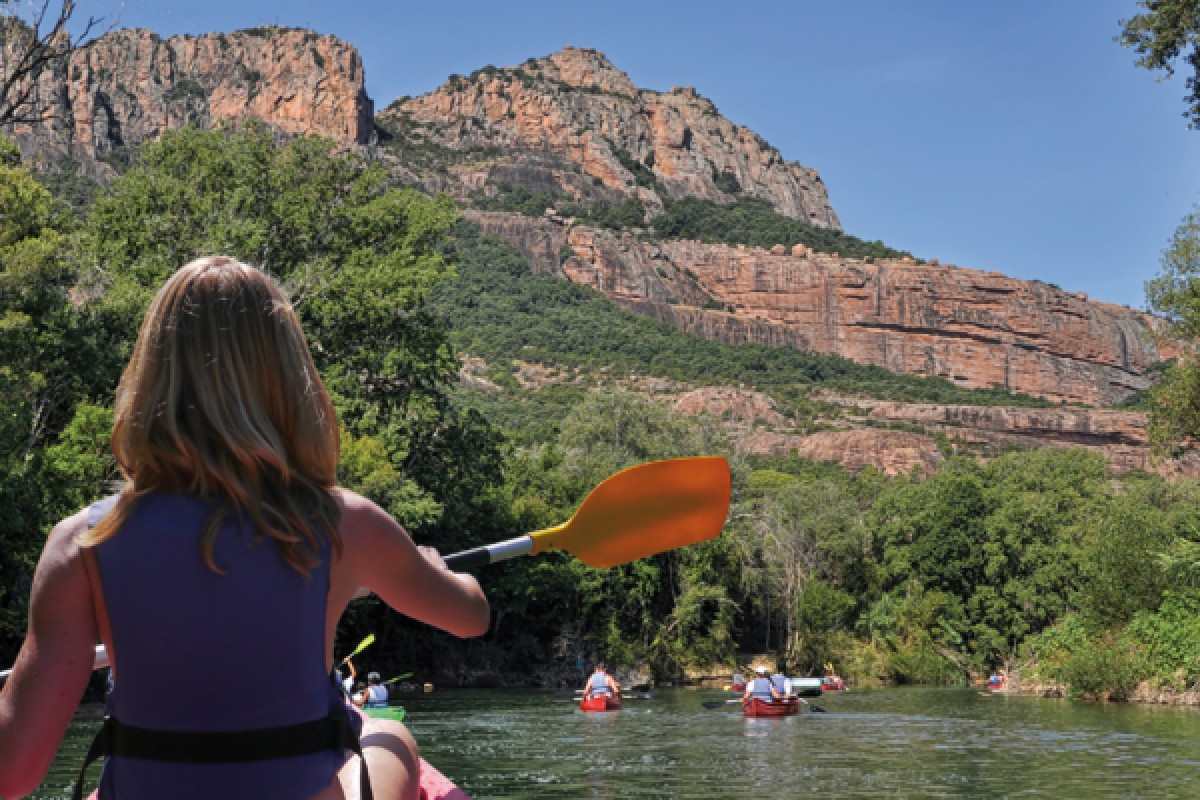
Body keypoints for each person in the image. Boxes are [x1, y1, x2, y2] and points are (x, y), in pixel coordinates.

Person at [0, 257, 490, 800]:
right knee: (386, 732)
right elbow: (470, 618)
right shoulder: (344, 523)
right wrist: (435, 568)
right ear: (287, 378)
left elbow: (12, 774)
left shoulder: (82, 544)